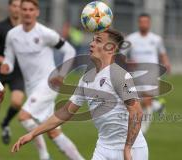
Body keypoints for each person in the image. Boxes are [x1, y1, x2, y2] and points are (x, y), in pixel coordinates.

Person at [11, 29, 148, 160]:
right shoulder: (86, 78)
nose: (92, 43)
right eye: (93, 40)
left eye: (98, 41)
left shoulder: (119, 75)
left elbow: (136, 112)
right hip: (103, 147)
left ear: (110, 48)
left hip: (132, 148)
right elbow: (65, 112)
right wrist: (33, 133)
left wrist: (128, 147)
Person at [0, 0, 84, 159]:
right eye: (24, 9)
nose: (27, 12)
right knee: (53, 131)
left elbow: (70, 50)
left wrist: (61, 74)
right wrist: (6, 66)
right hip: (31, 87)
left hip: (48, 83)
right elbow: (9, 60)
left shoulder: (46, 33)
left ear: (37, 12)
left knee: (23, 116)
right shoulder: (12, 35)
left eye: (31, 9)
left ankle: (44, 156)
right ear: (19, 11)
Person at [123, 13, 171, 134]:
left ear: (149, 24)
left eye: (146, 22)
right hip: (136, 75)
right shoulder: (131, 39)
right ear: (138, 23)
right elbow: (121, 56)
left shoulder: (156, 39)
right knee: (138, 102)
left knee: (147, 100)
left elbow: (162, 53)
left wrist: (166, 63)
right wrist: (127, 62)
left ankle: (141, 132)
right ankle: (158, 106)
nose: (143, 24)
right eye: (141, 22)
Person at [0, 0, 24, 145]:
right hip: (1, 71)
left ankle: (5, 123)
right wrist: (4, 60)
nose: (16, 9)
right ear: (10, 8)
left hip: (17, 73)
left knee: (16, 102)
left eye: (19, 6)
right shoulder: (1, 27)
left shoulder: (27, 28)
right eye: (14, 6)